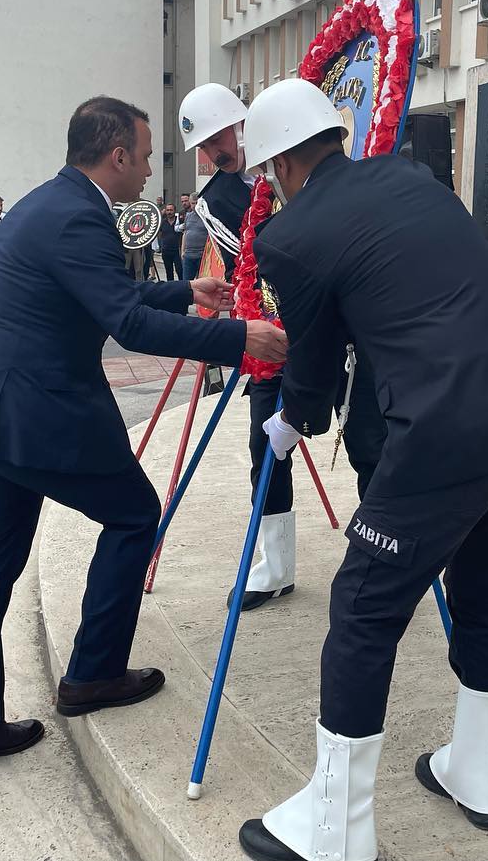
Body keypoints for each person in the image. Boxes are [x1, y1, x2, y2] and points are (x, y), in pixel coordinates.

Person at [235, 80, 488, 861]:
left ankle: (335, 830)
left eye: (269, 173)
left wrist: (290, 421)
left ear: (282, 165)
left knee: (363, 604)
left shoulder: (289, 235)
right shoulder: (409, 176)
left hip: (451, 426)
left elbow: (313, 362)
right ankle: (479, 773)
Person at [0, 95, 288, 777]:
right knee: (133, 515)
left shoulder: (47, 204)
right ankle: (93, 673)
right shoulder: (79, 217)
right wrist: (239, 336)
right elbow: (127, 324)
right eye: (147, 156)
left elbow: (98, 297)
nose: (152, 170)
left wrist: (186, 292)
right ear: (118, 155)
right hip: (36, 420)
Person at [178, 81, 299, 610]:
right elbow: (248, 263)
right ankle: (275, 567)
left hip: (333, 323)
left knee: (369, 440)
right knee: (265, 447)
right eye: (204, 147)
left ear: (239, 123)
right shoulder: (215, 200)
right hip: (270, 335)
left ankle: (395, 556)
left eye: (216, 139)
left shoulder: (293, 151)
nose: (212, 154)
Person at [181, 191, 206, 280]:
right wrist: (182, 251)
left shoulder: (207, 217)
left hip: (202, 255)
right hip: (188, 255)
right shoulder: (188, 216)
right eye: (192, 203)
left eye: (196, 203)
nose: (194, 205)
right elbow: (185, 233)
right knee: (186, 282)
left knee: (202, 282)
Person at [157, 203, 183, 280]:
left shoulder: (179, 221)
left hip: (177, 251)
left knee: (180, 270)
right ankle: (171, 286)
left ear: (175, 210)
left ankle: (181, 286)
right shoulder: (162, 222)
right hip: (166, 250)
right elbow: (159, 233)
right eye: (167, 210)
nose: (169, 212)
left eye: (171, 210)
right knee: (169, 272)